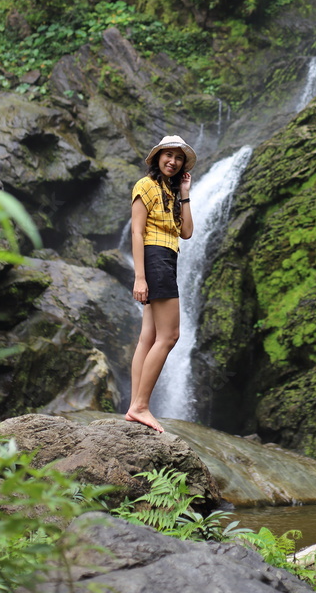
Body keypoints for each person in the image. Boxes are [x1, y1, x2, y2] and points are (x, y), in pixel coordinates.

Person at [126, 134, 196, 433]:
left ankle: (134, 406)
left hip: (167, 258)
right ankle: (141, 406)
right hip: (155, 260)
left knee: (149, 336)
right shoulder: (145, 186)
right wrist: (140, 277)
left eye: (179, 157)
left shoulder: (171, 190)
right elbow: (137, 233)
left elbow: (187, 233)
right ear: (157, 157)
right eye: (168, 155)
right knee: (170, 337)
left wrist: (184, 192)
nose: (173, 161)